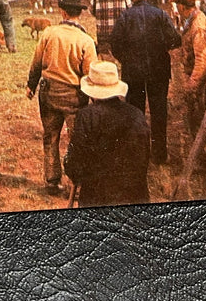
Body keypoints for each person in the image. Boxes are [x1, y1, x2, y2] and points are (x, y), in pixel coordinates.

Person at [26, 0, 98, 193]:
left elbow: (37, 63)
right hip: (74, 96)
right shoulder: (86, 41)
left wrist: (31, 86)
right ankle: (77, 182)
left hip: (48, 92)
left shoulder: (49, 33)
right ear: (80, 14)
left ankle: (51, 180)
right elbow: (90, 74)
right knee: (77, 139)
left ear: (62, 11)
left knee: (50, 136)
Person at [110, 0, 182, 164]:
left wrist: (126, 59)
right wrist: (161, 48)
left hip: (133, 73)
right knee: (159, 111)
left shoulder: (125, 16)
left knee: (135, 112)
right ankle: (159, 155)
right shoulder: (159, 14)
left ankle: (137, 154)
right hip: (159, 71)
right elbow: (175, 39)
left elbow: (115, 44)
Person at [64, 61, 150, 207]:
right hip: (135, 194)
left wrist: (72, 171)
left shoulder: (87, 116)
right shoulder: (137, 114)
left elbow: (76, 159)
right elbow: (144, 156)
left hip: (97, 197)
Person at [173, 0, 206, 134]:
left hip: (202, 82)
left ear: (182, 6)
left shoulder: (197, 26)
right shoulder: (191, 20)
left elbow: (202, 61)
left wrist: (191, 86)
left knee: (201, 121)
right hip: (198, 80)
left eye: (177, 4)